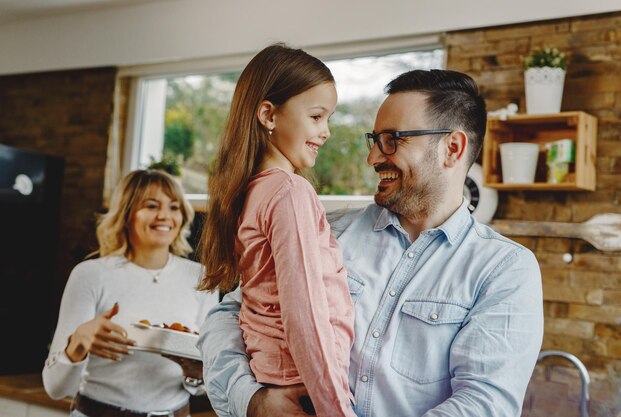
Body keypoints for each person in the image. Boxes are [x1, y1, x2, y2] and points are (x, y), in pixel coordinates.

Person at [197, 69, 544, 417]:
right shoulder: (325, 230)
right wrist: (253, 401)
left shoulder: (505, 269)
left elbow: (484, 404)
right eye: (374, 139)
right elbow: (230, 316)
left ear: (451, 149)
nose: (373, 158)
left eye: (392, 140)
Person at [196, 43, 356, 417]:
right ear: (268, 114)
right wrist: (338, 410)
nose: (327, 131)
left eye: (328, 118)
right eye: (317, 116)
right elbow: (307, 317)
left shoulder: (251, 189)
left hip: (274, 376)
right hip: (304, 391)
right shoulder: (289, 191)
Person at [42, 169, 219, 417]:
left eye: (174, 207)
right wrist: (78, 342)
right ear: (127, 214)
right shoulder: (90, 275)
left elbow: (210, 381)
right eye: (151, 205)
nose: (164, 215)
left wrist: (196, 374)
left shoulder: (201, 278)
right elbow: (55, 388)